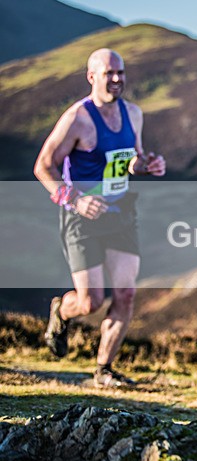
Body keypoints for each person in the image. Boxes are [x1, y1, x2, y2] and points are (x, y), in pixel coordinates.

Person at [33, 48, 166, 388]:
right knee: (91, 301)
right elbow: (43, 166)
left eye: (121, 72)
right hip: (82, 219)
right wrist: (75, 201)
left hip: (121, 212)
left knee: (125, 295)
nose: (117, 79)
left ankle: (103, 370)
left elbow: (132, 159)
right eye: (109, 73)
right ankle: (62, 311)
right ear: (92, 77)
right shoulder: (77, 118)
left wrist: (147, 165)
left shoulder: (133, 114)